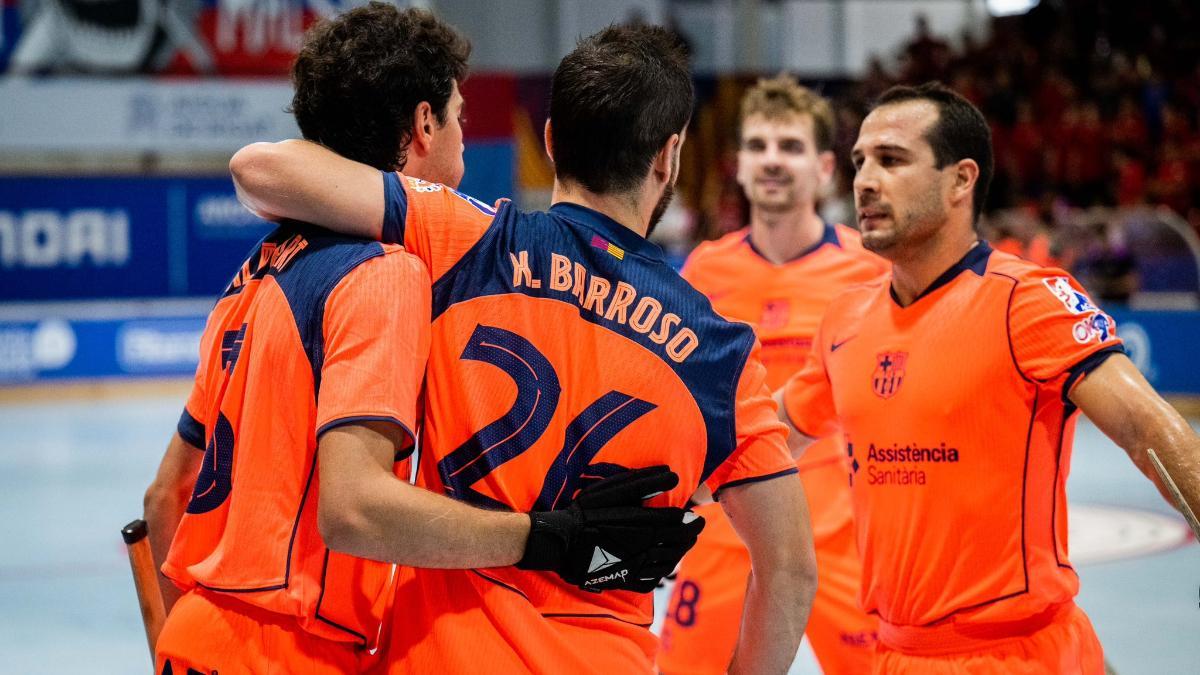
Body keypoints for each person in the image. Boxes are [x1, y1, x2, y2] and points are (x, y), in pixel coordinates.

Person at [230, 23, 819, 675]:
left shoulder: (467, 236)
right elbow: (790, 569)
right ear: (668, 157)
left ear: (549, 141)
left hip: (437, 657)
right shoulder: (720, 355)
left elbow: (263, 168)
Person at [141, 7, 702, 674]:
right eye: (460, 116)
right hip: (289, 650)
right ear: (424, 124)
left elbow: (162, 498)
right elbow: (352, 509)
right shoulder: (385, 272)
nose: (465, 138)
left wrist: (188, 641)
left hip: (196, 634)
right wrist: (547, 538)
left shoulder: (256, 271)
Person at [778, 82, 1200, 673]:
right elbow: (774, 434)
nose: (865, 180)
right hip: (896, 655)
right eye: (859, 161)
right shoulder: (845, 320)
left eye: (892, 160)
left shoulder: (1028, 301)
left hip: (1019, 654)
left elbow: (1148, 430)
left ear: (961, 179)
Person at [657, 74, 885, 675]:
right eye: (758, 146)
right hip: (725, 534)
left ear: (825, 167)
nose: (772, 161)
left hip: (841, 535)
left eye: (790, 146)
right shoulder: (705, 271)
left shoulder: (869, 271)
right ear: (738, 165)